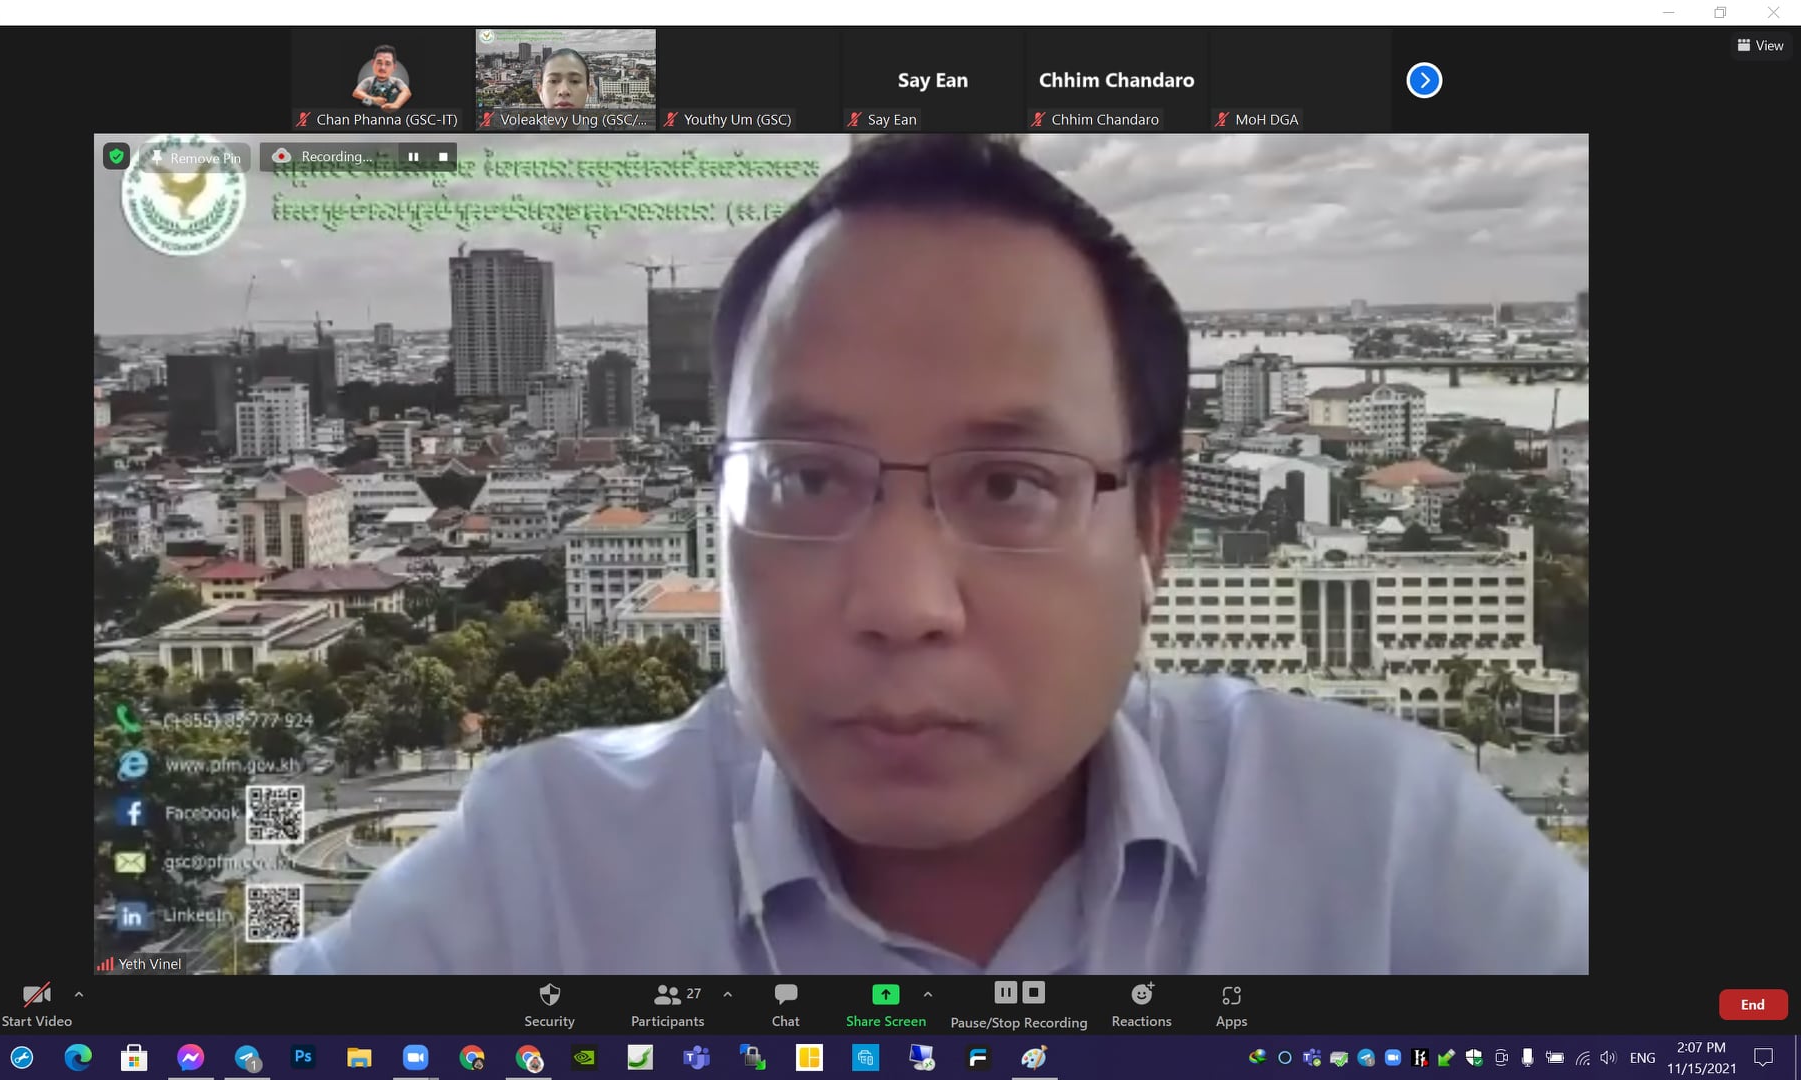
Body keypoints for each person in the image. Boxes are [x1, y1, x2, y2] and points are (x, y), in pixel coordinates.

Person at [272, 135, 1588, 976]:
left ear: (1154, 527)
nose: (901, 603)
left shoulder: (1388, 861)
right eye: (804, 477)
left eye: (1011, 484)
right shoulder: (539, 877)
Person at [353, 44, 410, 110]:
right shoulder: (369, 81)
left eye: (387, 64)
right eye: (379, 63)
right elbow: (356, 93)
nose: (383, 67)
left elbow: (406, 92)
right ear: (372, 63)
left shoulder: (396, 81)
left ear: (394, 67)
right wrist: (374, 99)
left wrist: (396, 105)